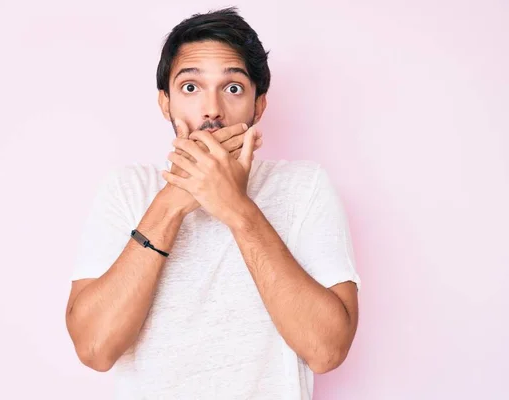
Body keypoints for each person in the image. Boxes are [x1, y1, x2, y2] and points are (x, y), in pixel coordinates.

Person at [65, 7, 361, 399]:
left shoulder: (303, 186)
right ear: (164, 102)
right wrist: (173, 201)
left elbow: (326, 351)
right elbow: (95, 349)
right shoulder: (126, 188)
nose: (212, 109)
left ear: (259, 106)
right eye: (190, 87)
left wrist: (235, 207)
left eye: (233, 87)